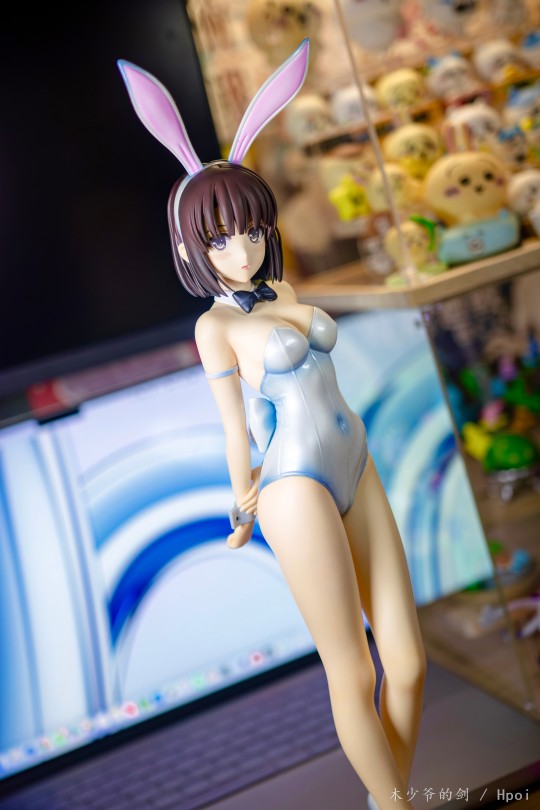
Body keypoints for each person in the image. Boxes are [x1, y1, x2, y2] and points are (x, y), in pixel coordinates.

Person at [118, 41, 426, 810]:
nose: (243, 248)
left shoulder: (283, 287)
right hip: (292, 485)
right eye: (220, 239)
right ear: (192, 246)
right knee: (353, 669)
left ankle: (389, 798)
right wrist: (241, 499)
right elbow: (236, 428)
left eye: (251, 229)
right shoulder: (213, 329)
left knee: (410, 665)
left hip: (357, 459)